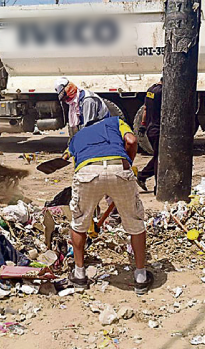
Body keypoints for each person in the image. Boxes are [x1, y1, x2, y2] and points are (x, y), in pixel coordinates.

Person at [66, 115, 153, 295]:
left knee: (79, 222)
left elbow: (76, 166)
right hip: (117, 167)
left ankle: (79, 275)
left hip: (87, 170)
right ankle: (141, 278)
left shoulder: (77, 137)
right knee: (135, 224)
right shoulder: (115, 122)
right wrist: (127, 163)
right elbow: (131, 140)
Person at [137, 79, 162, 193]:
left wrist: (143, 125)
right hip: (158, 129)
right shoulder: (162, 92)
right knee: (160, 158)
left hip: (150, 128)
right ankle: (157, 186)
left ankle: (142, 176)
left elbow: (145, 109)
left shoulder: (151, 90)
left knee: (158, 156)